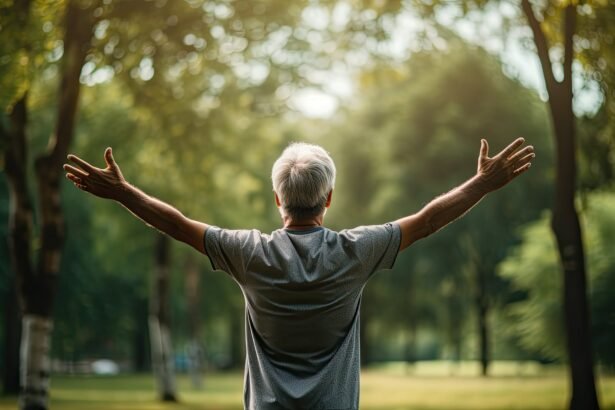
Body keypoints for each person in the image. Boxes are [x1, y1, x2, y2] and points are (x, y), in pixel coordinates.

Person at [64, 137, 534, 409]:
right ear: (327, 199)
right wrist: (482, 183)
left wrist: (124, 193)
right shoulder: (358, 251)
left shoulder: (247, 253)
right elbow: (428, 219)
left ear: (277, 199)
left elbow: (178, 225)